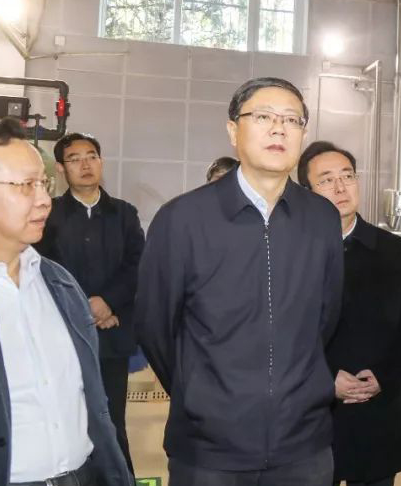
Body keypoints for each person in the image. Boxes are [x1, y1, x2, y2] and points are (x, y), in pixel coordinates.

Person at [136, 77, 343, 486]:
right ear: (233, 131)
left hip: (303, 445)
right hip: (209, 449)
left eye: (292, 120)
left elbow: (326, 317)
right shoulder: (182, 219)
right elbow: (155, 326)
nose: (279, 129)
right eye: (263, 117)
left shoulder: (322, 218)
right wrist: (201, 396)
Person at [0, 116, 132, 486]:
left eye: (44, 184)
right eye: (26, 185)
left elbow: (95, 410)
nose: (44, 200)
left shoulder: (59, 284)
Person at [298, 141, 401, 486]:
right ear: (306, 192)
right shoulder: (292, 251)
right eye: (326, 180)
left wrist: (384, 377)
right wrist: (325, 378)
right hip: (310, 415)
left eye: (348, 176)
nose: (341, 187)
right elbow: (280, 331)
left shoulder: (393, 251)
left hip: (377, 409)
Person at [36, 132, 145, 474]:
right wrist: (86, 309)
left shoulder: (124, 214)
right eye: (75, 159)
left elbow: (138, 265)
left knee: (111, 424)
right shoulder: (48, 214)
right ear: (60, 168)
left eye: (92, 156)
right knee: (67, 422)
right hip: (63, 337)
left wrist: (109, 303)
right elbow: (42, 268)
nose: (85, 164)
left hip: (112, 337)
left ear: (101, 162)